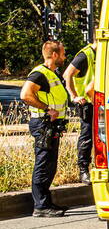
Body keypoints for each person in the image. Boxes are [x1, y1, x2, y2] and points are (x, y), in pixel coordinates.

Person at [20, 41, 70, 217]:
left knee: (49, 164)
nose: (64, 57)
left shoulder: (51, 74)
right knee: (43, 163)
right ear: (55, 55)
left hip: (50, 125)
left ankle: (46, 202)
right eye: (63, 53)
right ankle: (40, 206)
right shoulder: (39, 74)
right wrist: (46, 108)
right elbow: (25, 95)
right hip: (43, 124)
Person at [63, 38, 96, 183]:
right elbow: (67, 74)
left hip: (99, 101)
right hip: (86, 103)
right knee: (87, 136)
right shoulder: (85, 55)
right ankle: (83, 170)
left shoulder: (101, 54)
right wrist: (74, 96)